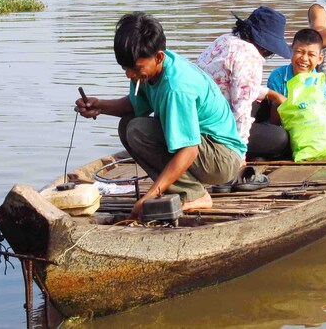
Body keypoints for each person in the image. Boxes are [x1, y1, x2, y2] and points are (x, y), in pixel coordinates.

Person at [75, 12, 245, 219]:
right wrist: (101, 106)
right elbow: (135, 106)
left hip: (221, 157)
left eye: (134, 68)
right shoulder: (149, 68)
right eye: (125, 68)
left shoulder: (176, 87)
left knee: (137, 130)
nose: (129, 74)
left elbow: (189, 150)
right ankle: (184, 188)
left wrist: (150, 195)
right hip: (206, 151)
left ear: (159, 57)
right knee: (128, 125)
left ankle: (193, 195)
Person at [196, 6, 290, 159]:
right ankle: (233, 150)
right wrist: (239, 154)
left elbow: (231, 83)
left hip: (204, 113)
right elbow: (241, 110)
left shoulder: (225, 40)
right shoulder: (249, 56)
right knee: (281, 138)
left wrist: (270, 94)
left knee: (266, 105)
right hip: (214, 127)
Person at [260, 28, 326, 159]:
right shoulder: (278, 77)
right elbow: (275, 117)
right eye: (299, 52)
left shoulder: (319, 81)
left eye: (311, 55)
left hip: (309, 129)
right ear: (291, 51)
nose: (304, 59)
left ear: (320, 59)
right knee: (280, 137)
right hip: (282, 127)